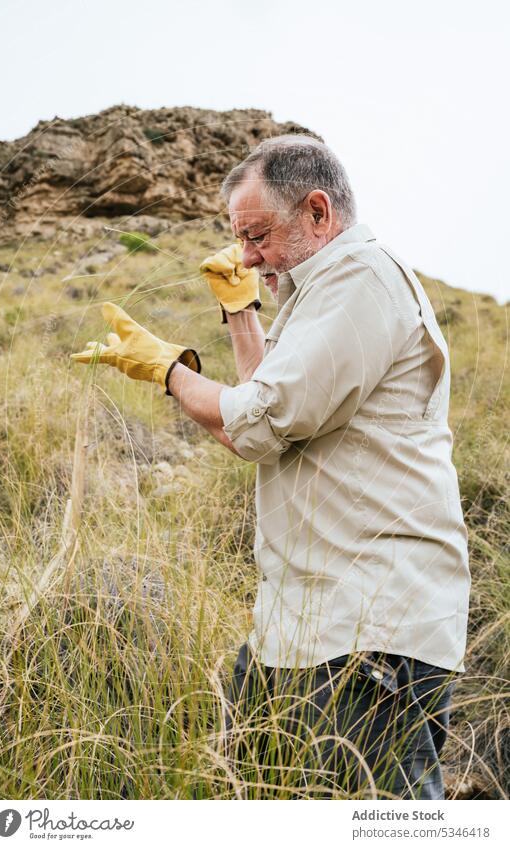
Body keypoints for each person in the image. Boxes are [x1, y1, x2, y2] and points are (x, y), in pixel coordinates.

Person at [71, 134, 471, 799]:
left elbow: (256, 422)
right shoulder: (319, 294)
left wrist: (169, 371)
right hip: (299, 626)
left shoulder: (360, 280)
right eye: (240, 240)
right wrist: (238, 313)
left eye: (257, 236)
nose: (249, 257)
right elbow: (269, 423)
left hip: (370, 631)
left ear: (318, 213)